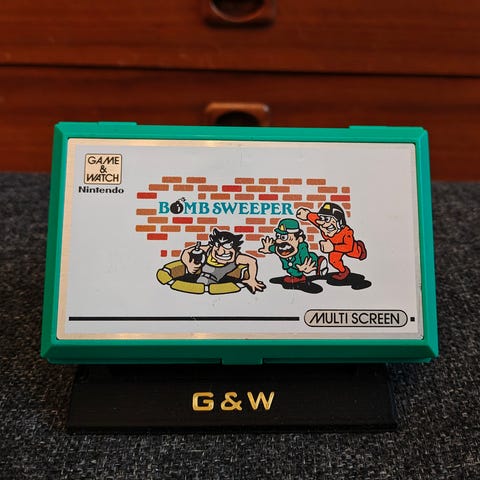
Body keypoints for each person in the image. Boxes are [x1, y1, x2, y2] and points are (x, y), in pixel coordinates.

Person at [181, 228, 265, 293]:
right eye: (217, 245)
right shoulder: (209, 250)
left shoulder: (236, 258)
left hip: (215, 287)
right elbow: (186, 251)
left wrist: (252, 279)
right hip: (197, 284)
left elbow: (252, 261)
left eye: (227, 246)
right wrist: (189, 264)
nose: (220, 251)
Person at [296, 203, 367, 281]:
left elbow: (349, 247)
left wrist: (333, 247)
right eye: (322, 219)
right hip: (334, 247)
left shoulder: (347, 232)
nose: (324, 224)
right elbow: (315, 218)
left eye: (327, 220)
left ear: (339, 222)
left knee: (354, 253)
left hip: (345, 246)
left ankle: (360, 249)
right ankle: (344, 271)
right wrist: (307, 215)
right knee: (333, 260)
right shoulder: (322, 224)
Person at [258, 218, 328, 285]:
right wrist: (268, 248)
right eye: (278, 236)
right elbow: (274, 249)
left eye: (284, 237)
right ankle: (297, 277)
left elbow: (305, 260)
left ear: (299, 239)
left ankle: (319, 262)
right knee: (292, 269)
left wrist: (304, 267)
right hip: (293, 266)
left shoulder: (302, 248)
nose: (278, 241)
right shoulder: (280, 248)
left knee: (308, 262)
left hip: (308, 261)